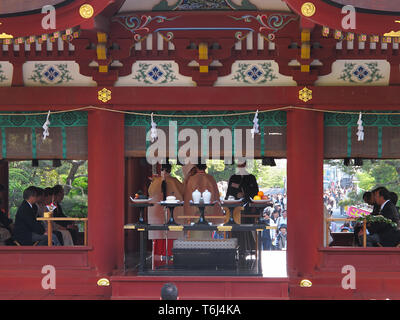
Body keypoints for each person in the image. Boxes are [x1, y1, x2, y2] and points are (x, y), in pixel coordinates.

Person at [148, 163, 184, 267]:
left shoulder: (155, 182)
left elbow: (150, 193)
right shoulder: (175, 181)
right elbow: (183, 192)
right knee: (173, 236)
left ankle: (158, 261)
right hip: (174, 215)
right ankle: (173, 260)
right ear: (170, 170)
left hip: (157, 215)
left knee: (159, 237)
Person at [225, 159, 259, 253]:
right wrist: (236, 195)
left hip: (248, 208)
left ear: (245, 165)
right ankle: (234, 249)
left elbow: (256, 193)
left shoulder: (251, 177)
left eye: (242, 165)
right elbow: (228, 194)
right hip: (235, 209)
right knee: (235, 229)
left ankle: (249, 248)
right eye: (239, 165)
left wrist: (245, 194)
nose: (241, 167)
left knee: (247, 229)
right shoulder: (233, 178)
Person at [183, 162, 224, 239]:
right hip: (209, 214)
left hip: (195, 215)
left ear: (196, 167)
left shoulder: (191, 179)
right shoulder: (211, 178)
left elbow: (187, 198)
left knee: (195, 237)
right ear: (205, 167)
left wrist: (187, 216)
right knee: (207, 237)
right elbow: (216, 197)